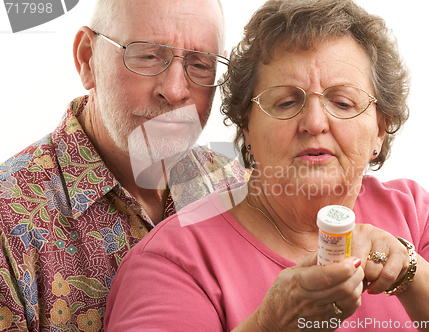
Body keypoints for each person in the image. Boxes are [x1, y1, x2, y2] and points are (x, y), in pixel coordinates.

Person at [104, 0, 429, 331]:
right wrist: (270, 322)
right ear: (247, 128)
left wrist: (409, 271)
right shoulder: (173, 260)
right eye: (286, 102)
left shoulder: (416, 213)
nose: (314, 123)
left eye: (342, 102)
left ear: (380, 129)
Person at [0, 0, 248, 331]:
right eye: (147, 56)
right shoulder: (9, 220)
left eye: (200, 65)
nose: (174, 91)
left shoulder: (238, 189)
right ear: (87, 59)